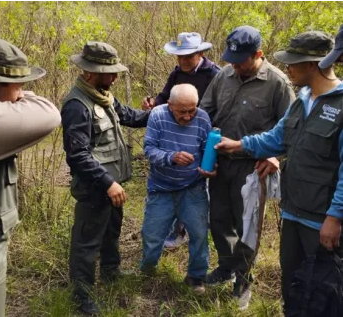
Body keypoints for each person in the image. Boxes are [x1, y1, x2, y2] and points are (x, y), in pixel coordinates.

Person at [215, 30, 343, 313]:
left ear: (313, 65)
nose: (287, 68)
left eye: (293, 62)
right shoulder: (302, 100)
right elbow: (275, 138)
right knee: (293, 286)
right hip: (293, 211)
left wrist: (335, 216)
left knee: (325, 291)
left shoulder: (340, 104)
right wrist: (238, 145)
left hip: (322, 220)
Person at [199, 25, 295, 309]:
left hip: (253, 168)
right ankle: (226, 266)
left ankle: (243, 278)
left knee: (248, 225)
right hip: (220, 162)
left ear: (259, 55)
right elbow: (206, 113)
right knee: (218, 218)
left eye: (241, 61)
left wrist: (275, 157)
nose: (235, 66)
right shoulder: (223, 76)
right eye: (231, 60)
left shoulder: (277, 83)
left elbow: (291, 129)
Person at [0, 36, 61, 317]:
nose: (22, 92)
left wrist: (11, 92)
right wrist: (20, 97)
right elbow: (48, 114)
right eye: (18, 85)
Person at [61, 41, 150, 315]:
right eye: (108, 72)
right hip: (95, 188)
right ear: (89, 72)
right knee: (86, 243)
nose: (114, 77)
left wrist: (159, 113)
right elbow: (78, 156)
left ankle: (112, 273)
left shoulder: (104, 95)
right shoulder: (77, 105)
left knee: (112, 232)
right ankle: (82, 298)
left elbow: (130, 117)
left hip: (113, 186)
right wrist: (107, 183)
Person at [142, 32, 221, 250]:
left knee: (197, 183)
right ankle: (176, 232)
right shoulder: (177, 72)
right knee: (174, 173)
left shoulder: (215, 74)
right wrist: (153, 104)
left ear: (201, 54)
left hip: (202, 134)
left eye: (189, 56)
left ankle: (196, 230)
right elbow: (164, 96)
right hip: (175, 131)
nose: (184, 61)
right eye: (180, 57)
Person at [139, 83, 216, 295]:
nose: (189, 116)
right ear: (170, 105)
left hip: (193, 187)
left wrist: (210, 168)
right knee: (152, 234)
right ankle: (147, 271)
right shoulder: (157, 115)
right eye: (183, 111)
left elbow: (207, 151)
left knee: (199, 234)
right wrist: (171, 157)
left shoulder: (202, 118)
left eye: (192, 110)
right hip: (161, 187)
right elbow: (149, 149)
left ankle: (196, 277)